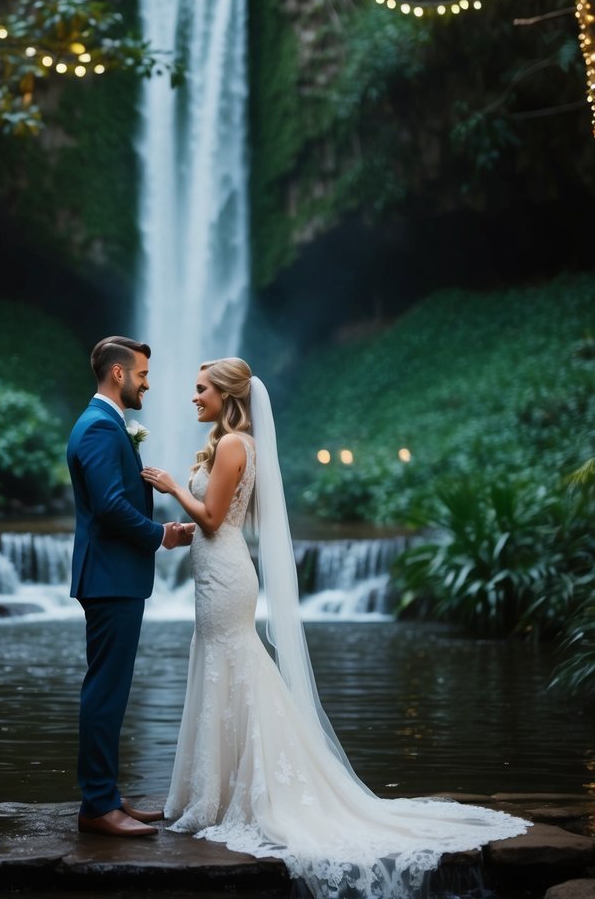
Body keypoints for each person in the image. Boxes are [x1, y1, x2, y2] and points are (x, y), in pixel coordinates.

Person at [142, 357, 529, 898]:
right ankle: (212, 791)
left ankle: (233, 794)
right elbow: (215, 518)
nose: (193, 397)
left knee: (234, 665)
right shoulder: (232, 444)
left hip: (225, 572)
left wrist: (168, 487)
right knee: (219, 667)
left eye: (201, 389)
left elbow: (212, 518)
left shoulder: (235, 445)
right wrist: (182, 520)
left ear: (227, 395)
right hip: (214, 568)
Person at [67, 335, 194, 839]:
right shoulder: (99, 427)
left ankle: (107, 797)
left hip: (115, 576)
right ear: (118, 375)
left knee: (111, 690)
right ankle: (98, 807)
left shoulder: (106, 424)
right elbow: (109, 506)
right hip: (110, 578)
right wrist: (161, 535)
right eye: (141, 374)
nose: (147, 383)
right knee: (105, 691)